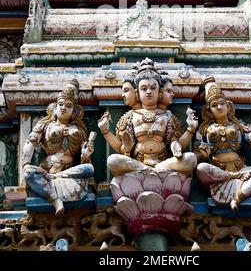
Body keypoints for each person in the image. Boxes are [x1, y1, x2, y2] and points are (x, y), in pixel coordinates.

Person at [98, 58, 198, 176]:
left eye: (153, 88)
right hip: (138, 163)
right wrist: (105, 131)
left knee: (191, 159)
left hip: (163, 162)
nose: (149, 92)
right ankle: (149, 171)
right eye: (144, 89)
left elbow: (176, 145)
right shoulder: (131, 116)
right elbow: (121, 148)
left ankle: (154, 171)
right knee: (113, 161)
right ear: (137, 93)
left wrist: (190, 130)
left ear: (159, 92)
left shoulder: (167, 116)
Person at [194, 76, 251, 211]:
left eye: (222, 103)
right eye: (214, 105)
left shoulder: (239, 127)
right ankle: (235, 180)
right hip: (220, 174)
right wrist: (202, 153)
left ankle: (238, 197)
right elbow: (198, 155)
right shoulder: (204, 129)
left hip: (243, 170)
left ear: (228, 105)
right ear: (209, 111)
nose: (219, 107)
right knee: (201, 168)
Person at [22, 80, 96, 217]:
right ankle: (55, 200)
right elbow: (30, 142)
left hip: (70, 172)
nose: (63, 108)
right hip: (48, 168)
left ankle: (54, 177)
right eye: (60, 105)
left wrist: (86, 154)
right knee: (29, 174)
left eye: (68, 106)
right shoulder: (45, 125)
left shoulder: (79, 129)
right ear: (54, 108)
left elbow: (85, 161)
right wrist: (26, 164)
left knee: (89, 169)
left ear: (74, 111)